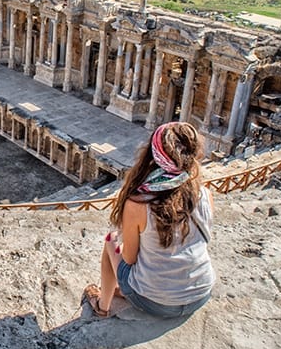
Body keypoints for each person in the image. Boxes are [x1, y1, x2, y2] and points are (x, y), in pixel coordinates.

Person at [83, 121, 214, 318]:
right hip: (201, 293)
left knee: (111, 241)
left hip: (158, 303)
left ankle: (103, 306)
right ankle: (130, 290)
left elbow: (128, 258)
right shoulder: (204, 194)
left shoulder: (138, 204)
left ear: (154, 156)